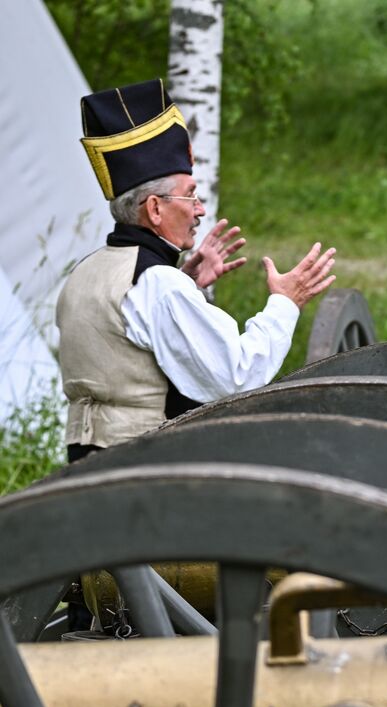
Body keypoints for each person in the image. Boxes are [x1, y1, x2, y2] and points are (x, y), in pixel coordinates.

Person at [57, 78, 336, 464]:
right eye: (189, 194)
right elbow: (235, 377)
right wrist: (285, 303)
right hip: (144, 469)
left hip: (84, 467)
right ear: (155, 209)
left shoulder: (86, 272)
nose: (200, 209)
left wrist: (186, 283)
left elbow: (124, 339)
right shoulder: (158, 284)